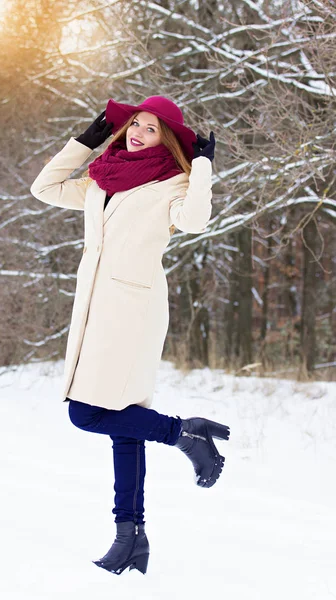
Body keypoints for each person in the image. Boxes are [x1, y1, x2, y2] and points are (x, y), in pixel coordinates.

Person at [30, 96, 230, 576]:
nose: (139, 132)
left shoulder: (174, 184)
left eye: (152, 128)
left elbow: (195, 220)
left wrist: (201, 167)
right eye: (135, 124)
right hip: (97, 310)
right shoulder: (101, 179)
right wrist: (86, 142)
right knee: (122, 424)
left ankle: (183, 433)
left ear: (170, 141)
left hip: (133, 313)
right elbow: (45, 187)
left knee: (87, 414)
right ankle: (131, 537)